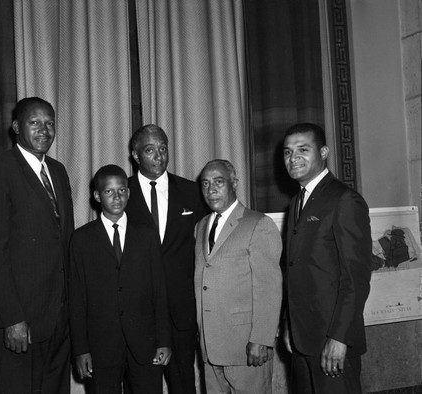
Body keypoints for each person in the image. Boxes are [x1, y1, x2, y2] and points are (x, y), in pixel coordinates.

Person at [0, 97, 74, 393]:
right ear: (16, 127)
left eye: (49, 123)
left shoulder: (58, 171)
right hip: (19, 323)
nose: (44, 130)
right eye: (35, 122)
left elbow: (63, 240)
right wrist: (12, 319)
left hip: (58, 319)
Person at [282, 123, 372, 394]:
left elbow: (355, 279)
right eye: (287, 152)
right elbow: (296, 271)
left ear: (323, 152)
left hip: (332, 341)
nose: (293, 158)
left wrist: (339, 337)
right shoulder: (296, 203)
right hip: (302, 340)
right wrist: (289, 324)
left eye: (302, 149)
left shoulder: (344, 200)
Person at [68, 164, 172, 393]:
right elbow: (77, 299)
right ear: (97, 196)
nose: (117, 197)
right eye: (109, 191)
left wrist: (164, 340)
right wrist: (81, 349)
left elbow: (159, 290)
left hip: (144, 344)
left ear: (129, 192)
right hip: (101, 347)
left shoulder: (146, 234)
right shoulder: (82, 240)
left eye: (122, 190)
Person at [126, 124, 207, 394]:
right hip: (138, 313)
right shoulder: (120, 195)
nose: (159, 156)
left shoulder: (191, 192)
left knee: (184, 384)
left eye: (163, 148)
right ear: (136, 156)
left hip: (180, 311)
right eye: (150, 150)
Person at [195, 159, 283, 393]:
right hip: (210, 347)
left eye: (218, 182)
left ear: (234, 183)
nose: (210, 189)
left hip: (246, 346)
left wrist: (261, 339)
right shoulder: (201, 226)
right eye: (205, 183)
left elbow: (269, 288)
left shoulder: (258, 224)